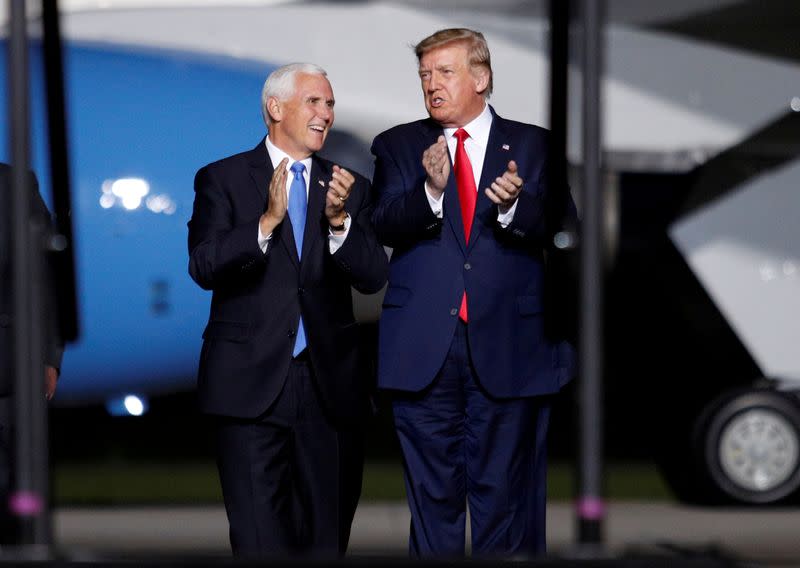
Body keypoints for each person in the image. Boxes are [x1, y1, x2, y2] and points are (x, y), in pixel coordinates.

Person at [371, 28, 577, 557]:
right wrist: (431, 192)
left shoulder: (534, 146)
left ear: (480, 78)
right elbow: (384, 225)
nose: (431, 85)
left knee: (504, 501)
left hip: (510, 345)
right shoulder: (398, 145)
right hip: (424, 351)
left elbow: (564, 230)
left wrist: (514, 208)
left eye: (444, 72)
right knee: (432, 502)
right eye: (424, 75)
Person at [187, 63, 387, 558]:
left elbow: (373, 276)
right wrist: (266, 222)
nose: (326, 114)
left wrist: (339, 223)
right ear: (276, 109)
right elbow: (204, 264)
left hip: (329, 390)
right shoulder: (222, 178)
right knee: (258, 541)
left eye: (330, 104)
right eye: (314, 102)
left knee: (326, 540)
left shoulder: (349, 187)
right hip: (250, 386)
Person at [0, 163, 63, 544]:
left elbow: (45, 277)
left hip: (9, 364)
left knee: (16, 476)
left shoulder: (15, 185)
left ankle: (17, 539)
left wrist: (49, 357)